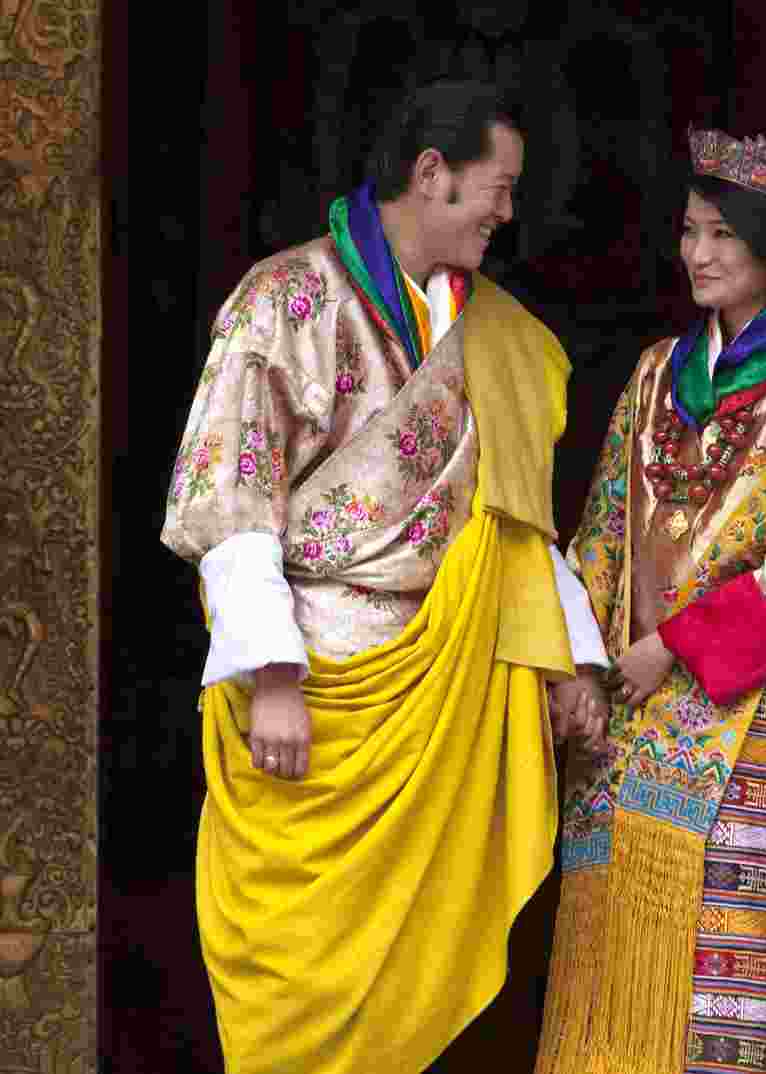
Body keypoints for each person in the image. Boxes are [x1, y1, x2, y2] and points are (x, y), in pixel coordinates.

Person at [160, 80, 610, 1074]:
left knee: (419, 975)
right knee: (301, 976)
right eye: (496, 189)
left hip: (440, 690)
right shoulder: (284, 299)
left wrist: (569, 654)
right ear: (430, 175)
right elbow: (230, 499)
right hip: (315, 684)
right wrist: (273, 674)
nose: (506, 211)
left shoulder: (502, 336)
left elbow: (515, 521)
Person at [534, 127, 766, 1074]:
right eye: (689, 231)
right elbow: (602, 533)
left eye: (723, 234)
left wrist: (675, 648)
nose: (699, 253)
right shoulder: (653, 374)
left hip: (737, 705)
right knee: (605, 971)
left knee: (714, 972)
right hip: (623, 706)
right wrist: (586, 671)